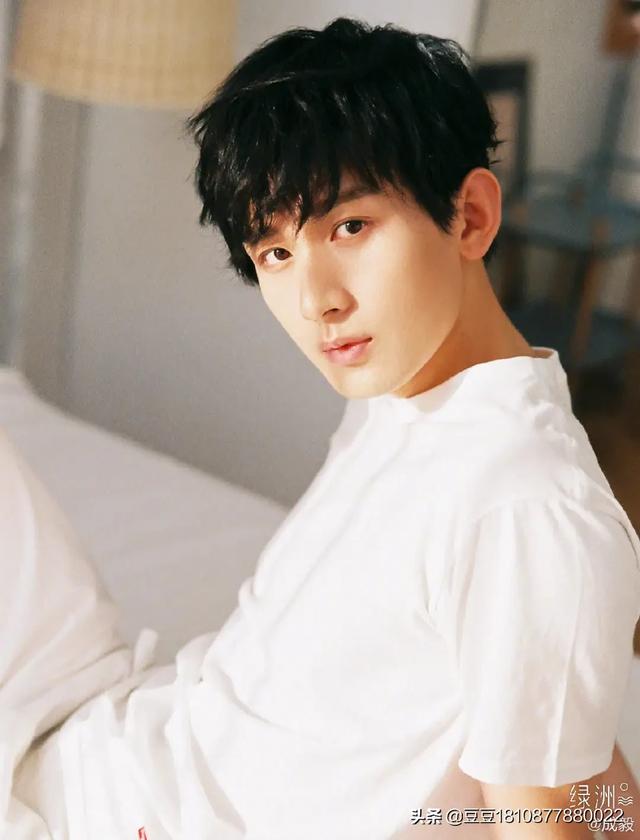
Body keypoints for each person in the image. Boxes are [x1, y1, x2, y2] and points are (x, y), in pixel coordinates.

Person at [2, 16, 640, 840]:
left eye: (349, 228)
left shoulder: (525, 503)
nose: (317, 301)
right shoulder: (405, 395)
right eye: (275, 253)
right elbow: (561, 734)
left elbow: (544, 814)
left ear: (472, 217)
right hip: (119, 731)